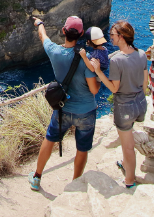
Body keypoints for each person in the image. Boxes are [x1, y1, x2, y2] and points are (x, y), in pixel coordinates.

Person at [28, 15, 100, 192]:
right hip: (86, 111)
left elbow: (42, 36)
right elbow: (94, 90)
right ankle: (75, 183)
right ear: (81, 34)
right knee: (82, 148)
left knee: (50, 139)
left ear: (63, 31)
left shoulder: (54, 51)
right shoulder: (87, 59)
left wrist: (40, 23)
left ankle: (37, 177)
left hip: (63, 109)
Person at [87, 20, 150, 189]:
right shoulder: (142, 54)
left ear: (121, 37)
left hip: (125, 108)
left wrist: (99, 71)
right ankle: (125, 163)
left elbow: (114, 89)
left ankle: (129, 180)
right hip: (140, 104)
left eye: (112, 35)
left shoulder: (117, 61)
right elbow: (145, 83)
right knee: (127, 139)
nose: (110, 38)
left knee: (128, 146)